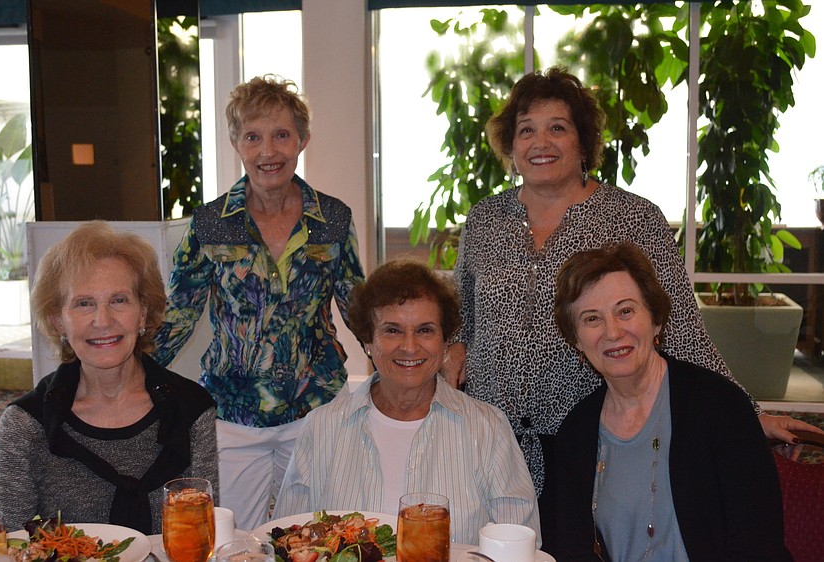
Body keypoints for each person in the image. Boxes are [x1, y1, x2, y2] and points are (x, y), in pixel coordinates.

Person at [444, 66, 818, 540]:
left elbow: (680, 327)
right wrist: (454, 346)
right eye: (526, 130)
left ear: (583, 142)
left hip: (590, 438)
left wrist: (746, 412)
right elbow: (461, 315)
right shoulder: (484, 220)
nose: (541, 142)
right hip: (491, 439)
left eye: (557, 127)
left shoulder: (633, 217)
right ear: (511, 147)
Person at [153, 75, 365, 529]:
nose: (268, 151)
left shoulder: (334, 218)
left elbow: (358, 307)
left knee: (320, 535)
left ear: (302, 140)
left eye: (281, 135)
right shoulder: (209, 222)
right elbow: (180, 314)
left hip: (317, 408)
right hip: (233, 411)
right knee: (233, 538)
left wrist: (401, 370)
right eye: (253, 137)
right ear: (236, 142)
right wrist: (122, 380)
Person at [550, 242, 790, 561]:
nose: (613, 331)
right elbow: (566, 545)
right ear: (577, 340)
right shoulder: (575, 434)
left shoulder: (720, 408)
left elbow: (758, 543)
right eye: (592, 319)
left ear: (656, 319)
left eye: (626, 311)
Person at [274, 260, 541, 546]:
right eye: (393, 330)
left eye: (425, 330)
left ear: (445, 340)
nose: (410, 347)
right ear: (367, 340)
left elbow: (522, 547)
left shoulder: (489, 429)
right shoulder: (321, 428)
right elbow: (289, 540)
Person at [0, 221, 218, 535]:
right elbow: (0, 547)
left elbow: (201, 536)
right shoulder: (27, 424)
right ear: (58, 322)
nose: (102, 320)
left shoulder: (192, 410)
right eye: (84, 304)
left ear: (143, 314)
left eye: (119, 300)